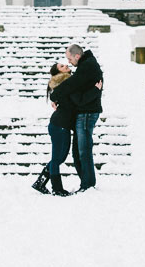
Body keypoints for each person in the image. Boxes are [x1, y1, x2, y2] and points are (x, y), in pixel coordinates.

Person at [49, 44, 103, 193]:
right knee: (78, 151)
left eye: (69, 59)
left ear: (77, 56)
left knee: (83, 150)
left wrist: (54, 95)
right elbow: (72, 89)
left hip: (87, 113)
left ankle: (87, 185)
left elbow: (71, 86)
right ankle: (86, 183)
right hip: (83, 113)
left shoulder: (86, 66)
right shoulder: (86, 64)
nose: (69, 62)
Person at [31, 62, 75, 196]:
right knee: (57, 158)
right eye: (62, 66)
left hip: (62, 125)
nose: (66, 65)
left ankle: (40, 182)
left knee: (60, 158)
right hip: (58, 125)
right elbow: (56, 95)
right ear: (58, 73)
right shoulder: (64, 84)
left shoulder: (67, 82)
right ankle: (57, 188)